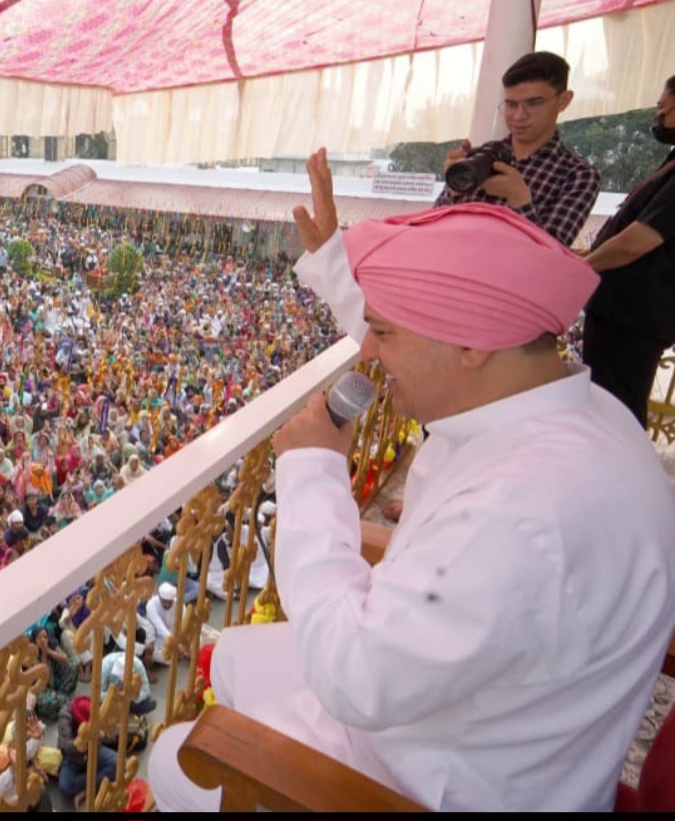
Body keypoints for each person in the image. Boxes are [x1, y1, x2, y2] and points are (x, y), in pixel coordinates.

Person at [148, 149, 675, 813]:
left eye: (382, 332)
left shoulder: (522, 510)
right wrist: (336, 264)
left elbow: (351, 677)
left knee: (176, 757)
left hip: (440, 777)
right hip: (502, 724)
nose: (367, 351)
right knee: (234, 658)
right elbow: (427, 337)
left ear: (472, 344)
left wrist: (312, 469)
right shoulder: (578, 409)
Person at [582, 74, 675, 426]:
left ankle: (614, 477)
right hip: (620, 310)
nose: (658, 119)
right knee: (603, 402)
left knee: (614, 409)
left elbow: (639, 239)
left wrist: (582, 267)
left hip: (634, 315)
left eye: (662, 110)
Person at [436, 51, 599, 248]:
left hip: (506, 279)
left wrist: (519, 200)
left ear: (563, 100)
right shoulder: (482, 157)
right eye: (511, 104)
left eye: (534, 103)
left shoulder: (578, 175)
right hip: (452, 271)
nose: (519, 116)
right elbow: (432, 229)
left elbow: (550, 256)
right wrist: (454, 188)